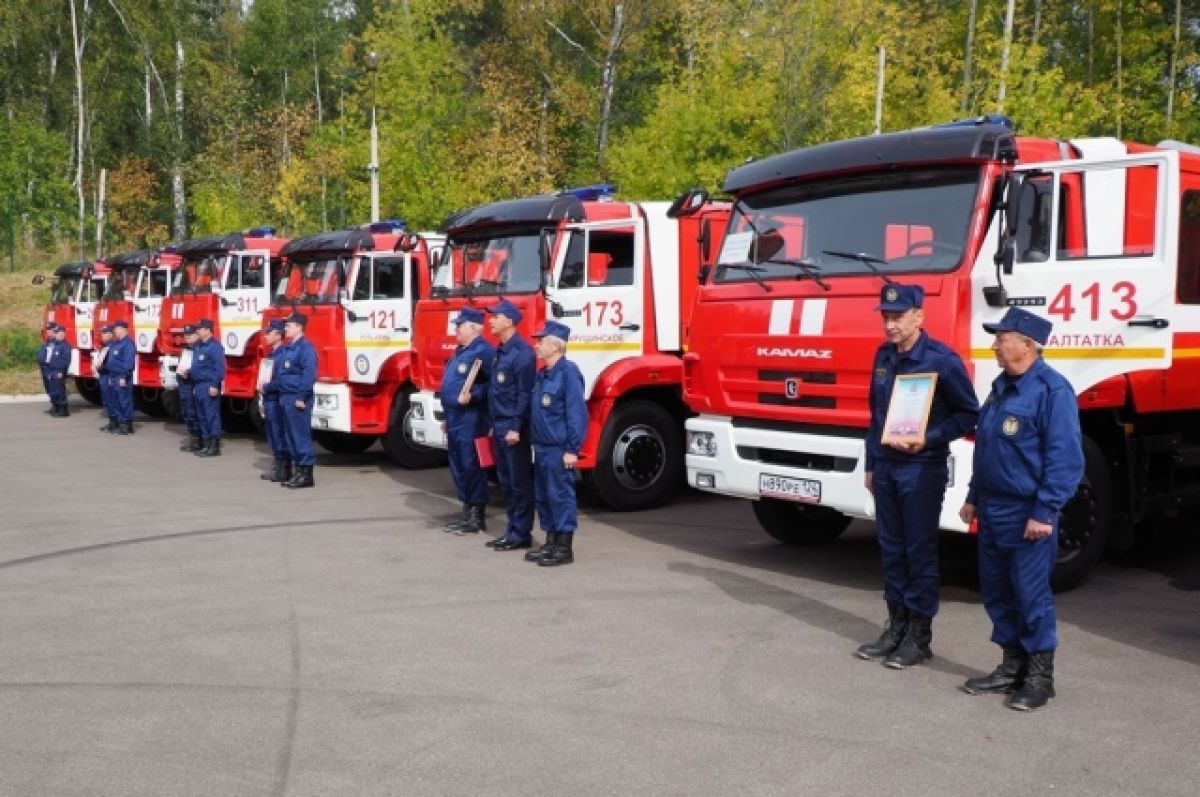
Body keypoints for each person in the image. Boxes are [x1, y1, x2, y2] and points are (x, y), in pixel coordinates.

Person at [959, 307, 1083, 711]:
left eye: (1002, 338)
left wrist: (1044, 512)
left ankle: (1039, 677)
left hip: (1026, 511)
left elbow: (1065, 460)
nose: (995, 345)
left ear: (1028, 344)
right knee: (997, 591)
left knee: (1031, 595)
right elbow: (988, 449)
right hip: (993, 508)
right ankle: (1011, 666)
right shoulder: (1000, 387)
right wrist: (973, 496)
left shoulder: (1052, 390)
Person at [857, 284, 979, 668]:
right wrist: (872, 464)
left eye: (898, 317)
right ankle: (895, 627)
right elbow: (876, 417)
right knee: (891, 549)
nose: (890, 325)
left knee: (918, 551)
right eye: (886, 317)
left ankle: (919, 636)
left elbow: (968, 414)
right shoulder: (883, 356)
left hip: (921, 468)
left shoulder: (941, 360)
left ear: (918, 317)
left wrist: (930, 438)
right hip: (889, 467)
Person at [525, 320, 588, 567]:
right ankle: (550, 542)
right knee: (544, 496)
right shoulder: (543, 375)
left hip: (558, 449)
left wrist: (572, 449)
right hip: (541, 447)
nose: (536, 345)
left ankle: (563, 548)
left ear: (555, 345)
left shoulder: (568, 373)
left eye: (541, 341)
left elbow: (576, 414)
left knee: (560, 496)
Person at [483, 299, 536, 551]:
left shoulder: (522, 354)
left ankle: (521, 533)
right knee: (505, 482)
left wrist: (516, 426)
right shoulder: (500, 351)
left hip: (513, 428)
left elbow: (524, 395)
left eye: (495, 316)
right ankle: (512, 530)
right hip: (500, 424)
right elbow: (498, 391)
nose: (490, 320)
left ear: (510, 321)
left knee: (519, 482)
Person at [440, 307, 494, 533]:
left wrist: (474, 396)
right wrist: (446, 415)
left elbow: (494, 386)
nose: (456, 330)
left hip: (472, 418)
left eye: (460, 326)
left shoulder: (484, 351)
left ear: (473, 327)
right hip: (454, 418)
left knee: (471, 465)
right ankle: (466, 511)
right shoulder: (460, 351)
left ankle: (476, 516)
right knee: (458, 466)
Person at [276, 312, 318, 488]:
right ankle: (298, 471)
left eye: (289, 326)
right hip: (286, 396)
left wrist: (301, 396)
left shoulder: (305, 348)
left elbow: (308, 375)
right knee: (290, 435)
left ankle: (306, 473)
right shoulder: (289, 347)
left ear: (299, 327)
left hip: (297, 398)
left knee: (300, 435)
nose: (286, 328)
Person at [258, 319, 292, 482]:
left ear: (279, 335)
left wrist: (267, 387)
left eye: (269, 333)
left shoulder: (283, 354)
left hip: (277, 399)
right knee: (272, 434)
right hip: (269, 398)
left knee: (279, 434)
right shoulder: (272, 354)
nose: (265, 336)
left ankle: (284, 469)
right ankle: (278, 466)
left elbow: (281, 380)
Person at [191, 318, 227, 457]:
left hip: (208, 384)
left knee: (211, 415)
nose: (197, 331)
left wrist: (214, 384)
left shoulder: (215, 347)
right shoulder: (199, 345)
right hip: (199, 384)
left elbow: (219, 368)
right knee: (202, 416)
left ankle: (214, 445)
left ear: (207, 330)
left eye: (200, 329)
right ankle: (206, 443)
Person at [106, 319, 137, 435]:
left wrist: (124, 376)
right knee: (116, 400)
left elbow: (129, 362)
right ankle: (120, 422)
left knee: (124, 401)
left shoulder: (128, 343)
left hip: (122, 376)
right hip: (114, 376)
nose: (114, 331)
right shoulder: (117, 343)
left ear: (123, 329)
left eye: (116, 329)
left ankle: (127, 424)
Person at [176, 324, 203, 452]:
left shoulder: (199, 349)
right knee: (187, 413)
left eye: (190, 335)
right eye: (186, 335)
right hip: (184, 385)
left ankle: (199, 440)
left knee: (194, 413)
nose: (187, 337)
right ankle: (193, 438)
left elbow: (201, 369)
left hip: (193, 385)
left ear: (197, 335)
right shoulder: (186, 349)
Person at [38, 324, 72, 417]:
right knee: (52, 390)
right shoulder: (51, 343)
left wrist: (59, 371)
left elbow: (64, 361)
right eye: (57, 333)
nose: (58, 335)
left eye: (60, 333)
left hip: (57, 371)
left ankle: (62, 409)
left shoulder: (64, 346)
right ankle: (56, 407)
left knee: (59, 390)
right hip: (49, 370)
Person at [95, 325, 117, 433]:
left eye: (104, 333)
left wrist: (104, 367)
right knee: (106, 401)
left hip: (108, 376)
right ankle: (111, 421)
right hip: (103, 376)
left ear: (110, 334)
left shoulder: (112, 347)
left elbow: (113, 364)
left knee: (111, 400)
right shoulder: (105, 347)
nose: (102, 336)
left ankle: (115, 422)